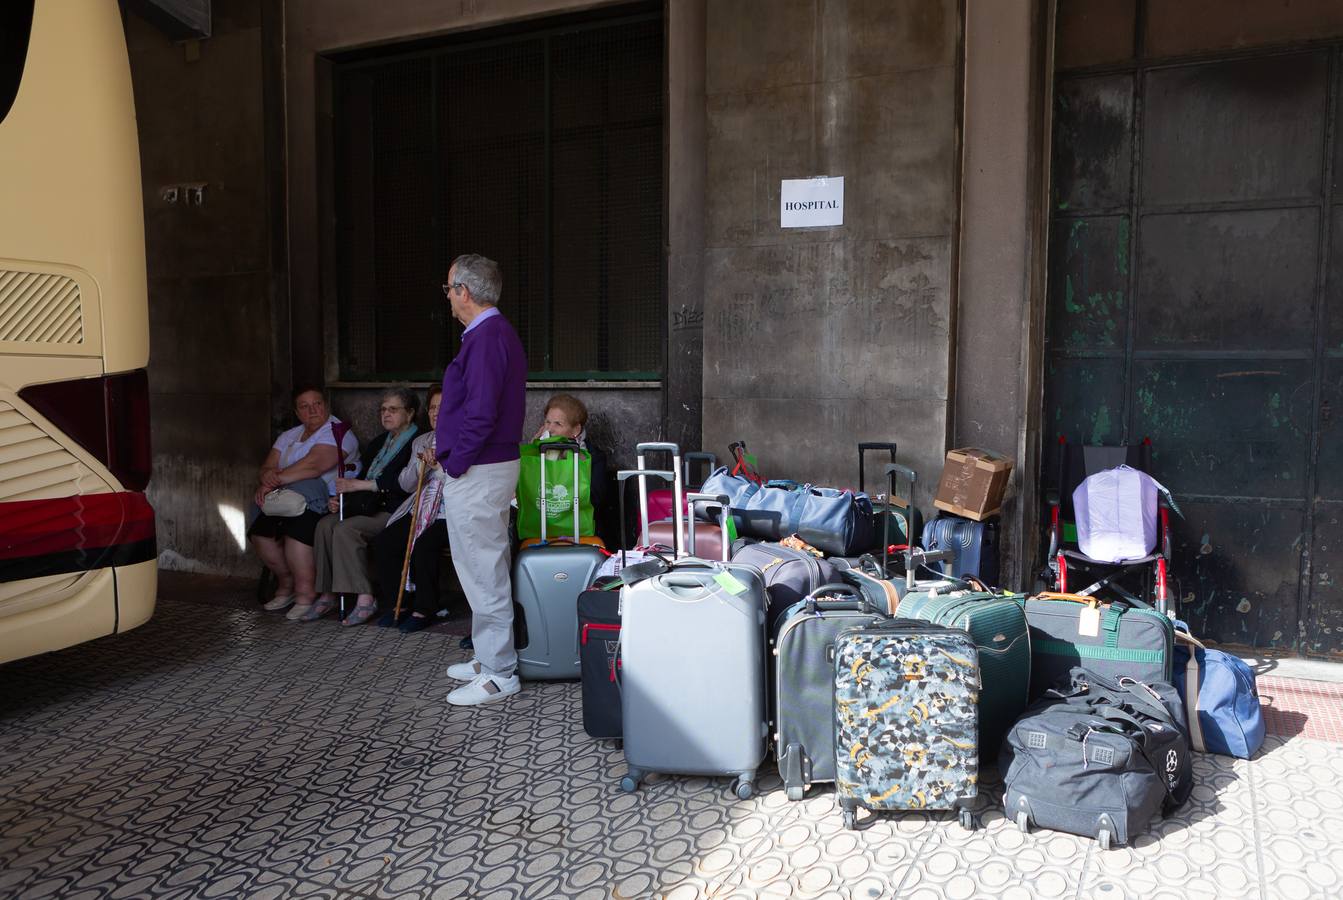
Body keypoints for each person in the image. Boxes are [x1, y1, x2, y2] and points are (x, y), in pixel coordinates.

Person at [438, 253, 528, 706]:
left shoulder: (488, 336)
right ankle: (488, 656)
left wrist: (455, 464)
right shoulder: (488, 335)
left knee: (482, 569)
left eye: (448, 289)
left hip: (478, 467)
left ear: (464, 292)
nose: (448, 298)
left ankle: (499, 673)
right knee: (478, 566)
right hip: (483, 465)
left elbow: (480, 412)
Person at [299, 387, 420, 625]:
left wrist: (358, 486)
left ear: (410, 413)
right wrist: (341, 500)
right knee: (325, 524)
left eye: (393, 409)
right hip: (369, 507)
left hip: (395, 510)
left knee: (346, 529)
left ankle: (365, 597)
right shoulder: (378, 443)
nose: (386, 414)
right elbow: (361, 482)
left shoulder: (416, 442)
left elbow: (402, 484)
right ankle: (328, 593)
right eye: (383, 409)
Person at [249, 386, 360, 614]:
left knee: (297, 534)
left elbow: (315, 465)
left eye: (317, 403)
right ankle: (287, 583)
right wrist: (267, 477)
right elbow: (267, 465)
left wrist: (273, 481)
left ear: (326, 405)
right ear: (297, 413)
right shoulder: (289, 435)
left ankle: (305, 593)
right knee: (260, 532)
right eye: (304, 406)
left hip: (326, 501)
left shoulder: (338, 432)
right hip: (285, 497)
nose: (312, 410)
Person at [373, 384, 450, 633]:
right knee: (386, 542)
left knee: (425, 545)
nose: (436, 413)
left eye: (443, 407)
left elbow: (463, 482)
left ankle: (425, 608)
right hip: (419, 509)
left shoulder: (463, 441)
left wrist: (438, 466)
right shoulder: (421, 441)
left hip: (450, 513)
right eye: (432, 408)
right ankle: (400, 605)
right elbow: (406, 485)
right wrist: (423, 465)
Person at [529, 393, 608, 518]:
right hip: (538, 526)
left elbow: (595, 500)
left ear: (576, 430)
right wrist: (532, 451)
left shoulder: (594, 457)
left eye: (558, 424)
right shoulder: (538, 451)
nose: (550, 429)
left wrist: (572, 458)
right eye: (547, 422)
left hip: (578, 527)